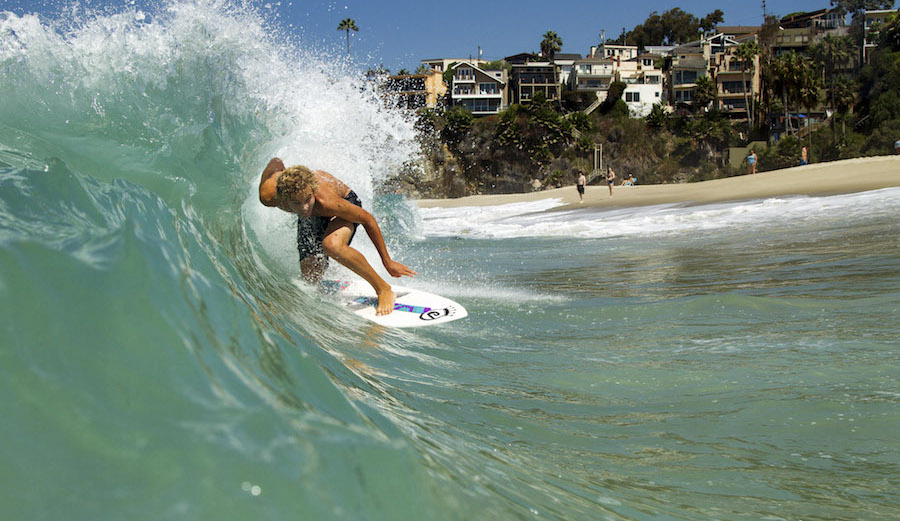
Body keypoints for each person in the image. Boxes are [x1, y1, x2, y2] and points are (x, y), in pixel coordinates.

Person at [258, 158, 416, 315]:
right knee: (310, 278)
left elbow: (368, 219)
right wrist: (282, 168)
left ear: (312, 191)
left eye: (307, 199)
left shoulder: (328, 202)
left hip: (343, 204)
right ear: (284, 200)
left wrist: (387, 261)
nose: (304, 207)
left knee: (331, 245)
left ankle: (383, 289)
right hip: (314, 216)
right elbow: (275, 162)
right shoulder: (268, 196)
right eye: (296, 203)